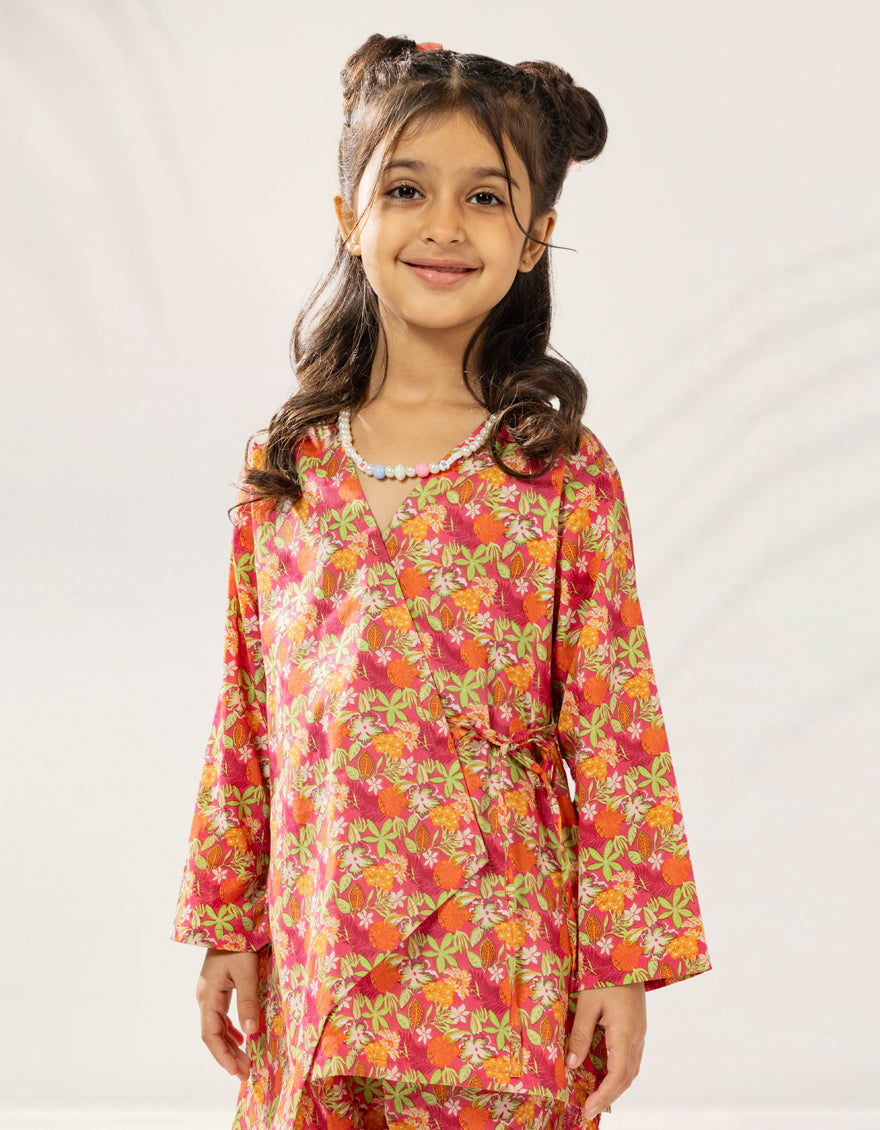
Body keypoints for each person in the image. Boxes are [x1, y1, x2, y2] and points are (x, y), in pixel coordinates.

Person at [170, 33, 712, 1130]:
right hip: (320, 935)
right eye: (408, 189)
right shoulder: (289, 463)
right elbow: (249, 708)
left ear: (536, 235)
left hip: (496, 955)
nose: (445, 225)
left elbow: (615, 724)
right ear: (349, 215)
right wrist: (230, 919)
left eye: (485, 197)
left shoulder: (557, 470)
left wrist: (620, 961)